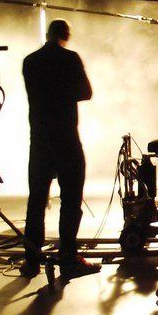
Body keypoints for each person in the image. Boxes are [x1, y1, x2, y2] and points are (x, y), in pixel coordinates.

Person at [21, 19, 100, 280]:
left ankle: (31, 260)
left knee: (36, 201)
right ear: (66, 35)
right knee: (71, 199)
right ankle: (68, 258)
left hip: (40, 140)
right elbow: (86, 93)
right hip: (66, 138)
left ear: (48, 34)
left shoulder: (30, 61)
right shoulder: (70, 58)